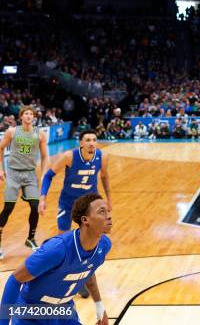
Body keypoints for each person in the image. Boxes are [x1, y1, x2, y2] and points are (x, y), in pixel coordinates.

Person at [0, 193, 112, 325]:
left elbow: (88, 270)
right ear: (85, 220)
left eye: (108, 211)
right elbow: (15, 279)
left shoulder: (104, 245)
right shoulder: (57, 249)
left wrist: (99, 305)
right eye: (102, 211)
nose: (109, 216)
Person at [38, 130, 112, 234]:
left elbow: (104, 177)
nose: (91, 143)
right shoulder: (69, 156)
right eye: (88, 140)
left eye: (94, 140)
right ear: (81, 143)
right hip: (68, 201)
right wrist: (42, 199)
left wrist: (109, 199)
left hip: (90, 202)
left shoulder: (103, 157)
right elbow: (48, 176)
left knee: (94, 233)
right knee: (62, 235)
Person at [0, 106, 50, 259]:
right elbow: (0, 148)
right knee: (8, 207)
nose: (29, 116)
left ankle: (31, 238)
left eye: (31, 114)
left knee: (35, 206)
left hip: (30, 175)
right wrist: (1, 169)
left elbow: (45, 156)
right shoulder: (12, 132)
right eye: (26, 113)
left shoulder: (39, 134)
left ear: (34, 117)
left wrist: (44, 174)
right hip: (14, 173)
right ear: (21, 117)